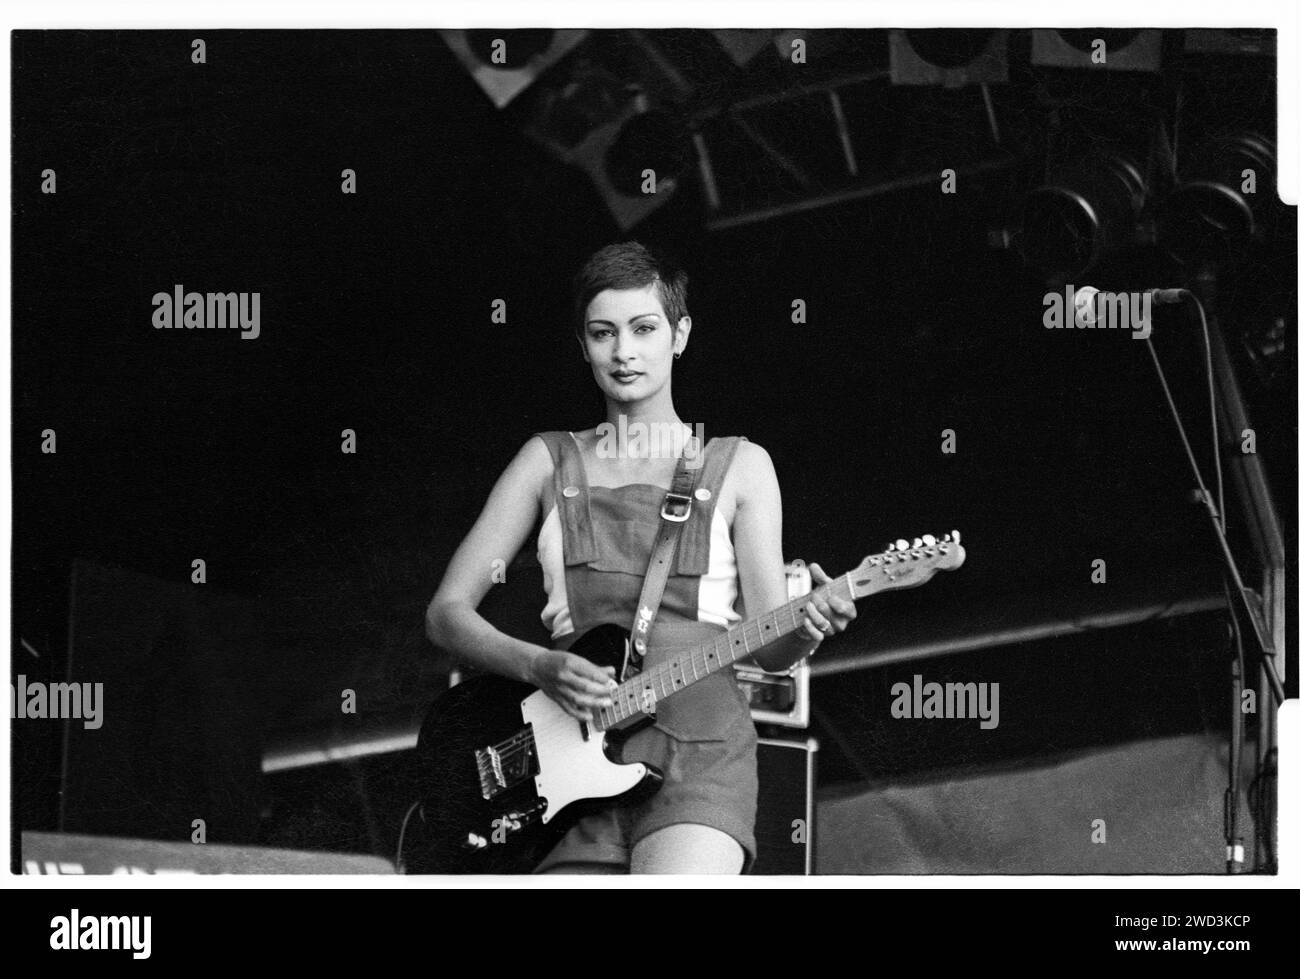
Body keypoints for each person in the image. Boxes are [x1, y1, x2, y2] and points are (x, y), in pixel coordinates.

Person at [425, 241, 856, 874]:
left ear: (679, 335)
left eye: (644, 329)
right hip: (568, 759)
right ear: (583, 346)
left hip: (702, 753)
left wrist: (808, 629)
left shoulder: (741, 465)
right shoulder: (546, 460)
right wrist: (541, 666)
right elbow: (447, 614)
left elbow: (771, 646)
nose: (623, 351)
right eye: (603, 333)